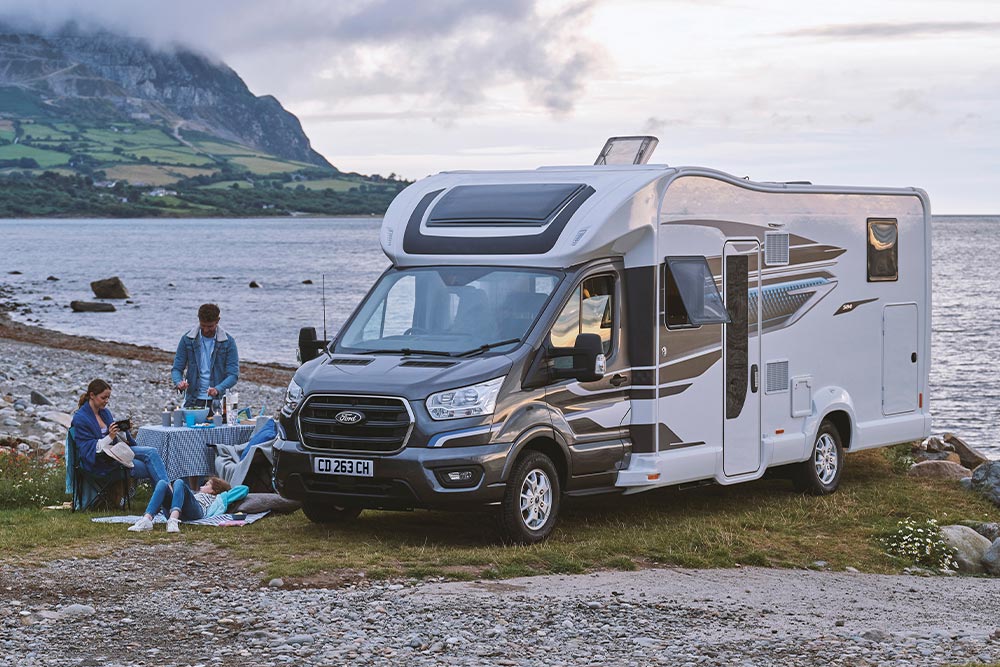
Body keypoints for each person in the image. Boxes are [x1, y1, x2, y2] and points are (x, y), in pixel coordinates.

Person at [71, 379, 168, 485]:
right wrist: (110, 436)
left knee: (152, 452)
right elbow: (90, 449)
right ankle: (167, 495)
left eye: (108, 397)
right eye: (103, 397)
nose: (107, 401)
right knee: (152, 467)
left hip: (116, 451)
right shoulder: (81, 418)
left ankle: (166, 494)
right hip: (102, 461)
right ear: (92, 395)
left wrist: (123, 429)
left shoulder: (104, 412)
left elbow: (118, 438)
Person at [171, 303, 239, 409]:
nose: (206, 330)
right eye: (203, 326)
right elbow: (176, 369)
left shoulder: (228, 342)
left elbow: (233, 375)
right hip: (192, 400)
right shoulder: (187, 339)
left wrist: (218, 389)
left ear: (218, 321)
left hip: (218, 402)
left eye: (210, 326)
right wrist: (179, 382)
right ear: (199, 320)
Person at [128, 476, 233, 533]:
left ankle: (173, 520)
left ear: (214, 491)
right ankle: (147, 519)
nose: (202, 486)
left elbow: (242, 490)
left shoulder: (216, 498)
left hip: (196, 511)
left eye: (206, 485)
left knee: (179, 482)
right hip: (179, 510)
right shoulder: (195, 493)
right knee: (162, 483)